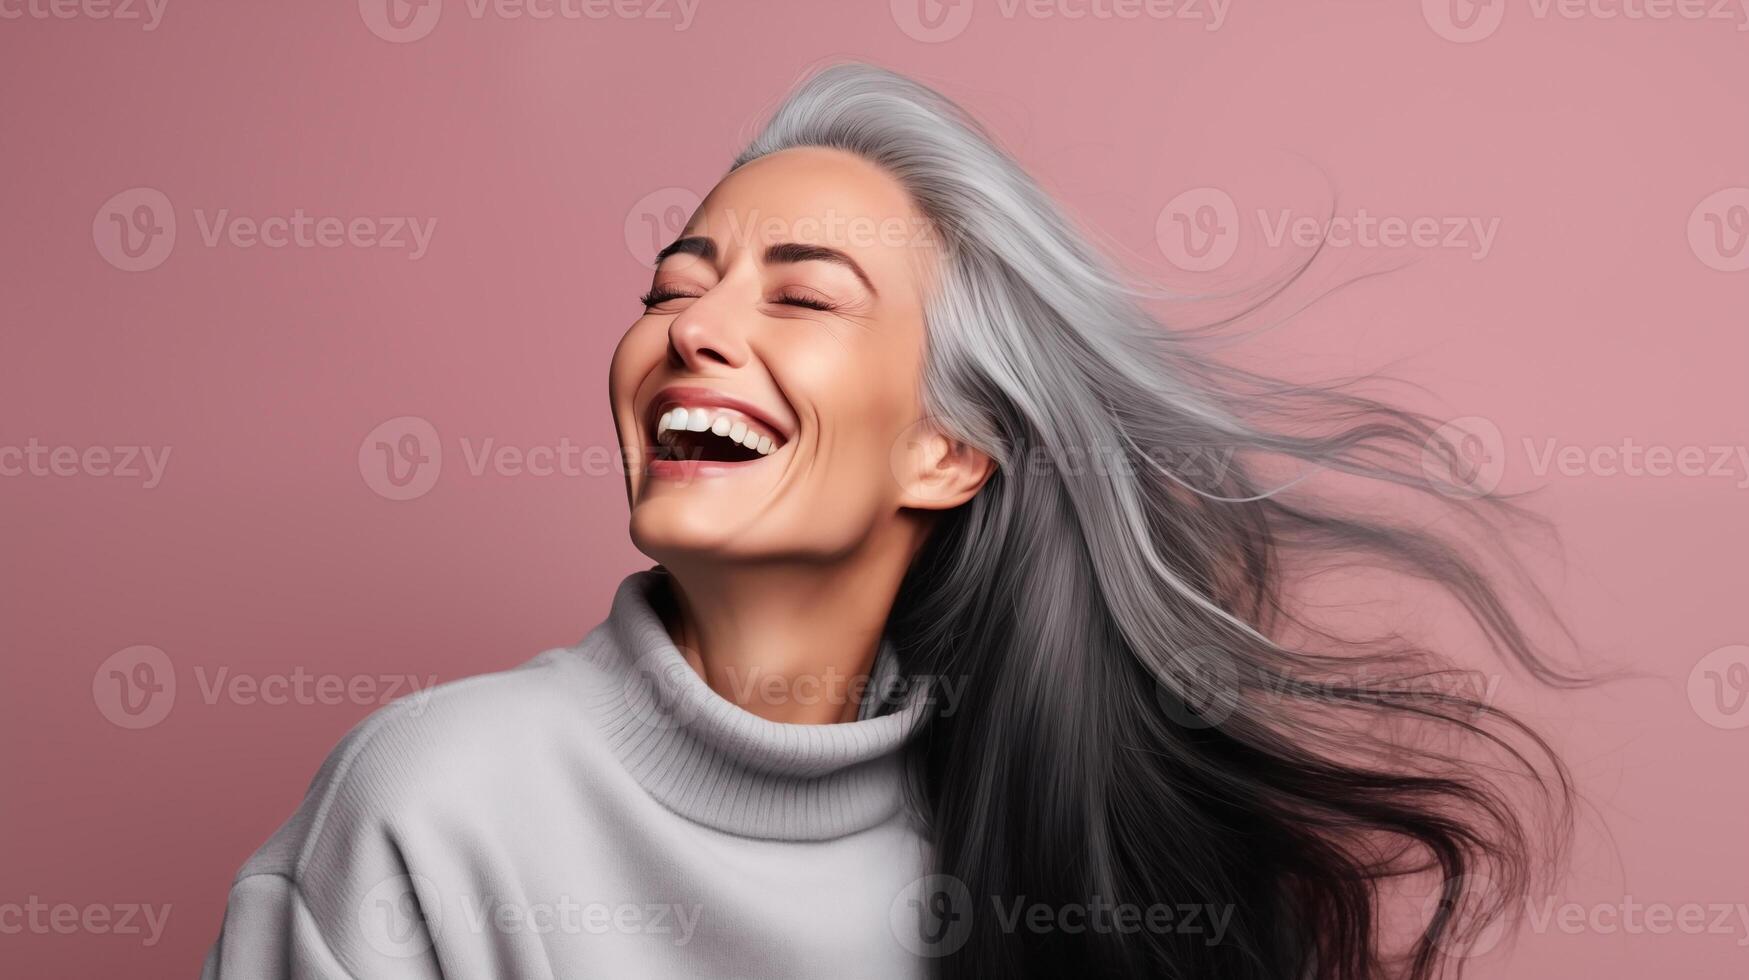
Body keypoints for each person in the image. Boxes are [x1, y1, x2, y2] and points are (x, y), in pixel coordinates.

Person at [203, 62, 1577, 979]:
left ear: (946, 447)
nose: (694, 328)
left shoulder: (1070, 852)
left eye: (799, 298)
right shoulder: (434, 801)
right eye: (671, 286)